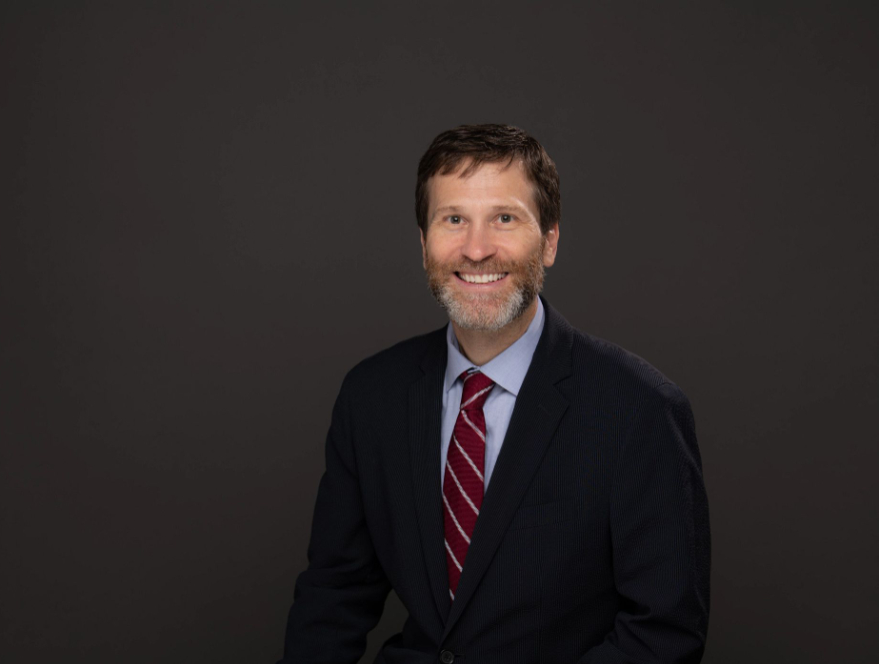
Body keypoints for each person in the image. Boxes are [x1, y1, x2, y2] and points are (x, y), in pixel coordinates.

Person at [278, 124, 711, 663]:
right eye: (453, 219)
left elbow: (664, 635)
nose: (477, 249)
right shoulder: (372, 396)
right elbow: (333, 599)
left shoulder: (640, 409)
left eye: (504, 219)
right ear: (423, 243)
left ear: (550, 240)